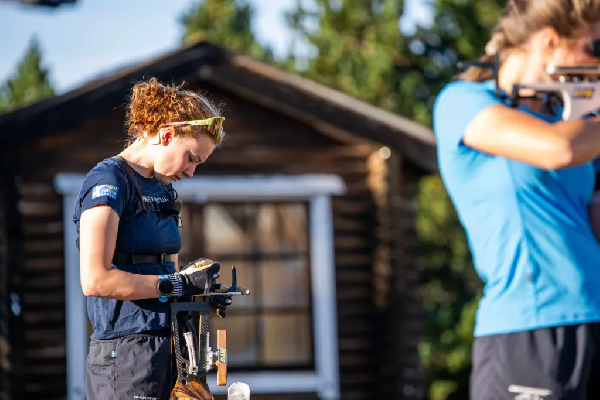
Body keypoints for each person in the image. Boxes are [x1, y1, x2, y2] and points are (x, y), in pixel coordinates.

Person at [433, 1, 600, 399]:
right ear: (550, 43)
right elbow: (557, 150)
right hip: (527, 329)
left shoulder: (575, 125)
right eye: (596, 47)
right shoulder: (462, 102)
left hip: (592, 319)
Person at [73, 77, 231, 400]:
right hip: (124, 353)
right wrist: (176, 285)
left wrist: (197, 291)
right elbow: (94, 280)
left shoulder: (166, 192)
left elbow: (169, 274)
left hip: (169, 348)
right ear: (168, 134)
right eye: (191, 158)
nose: (190, 173)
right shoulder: (109, 181)